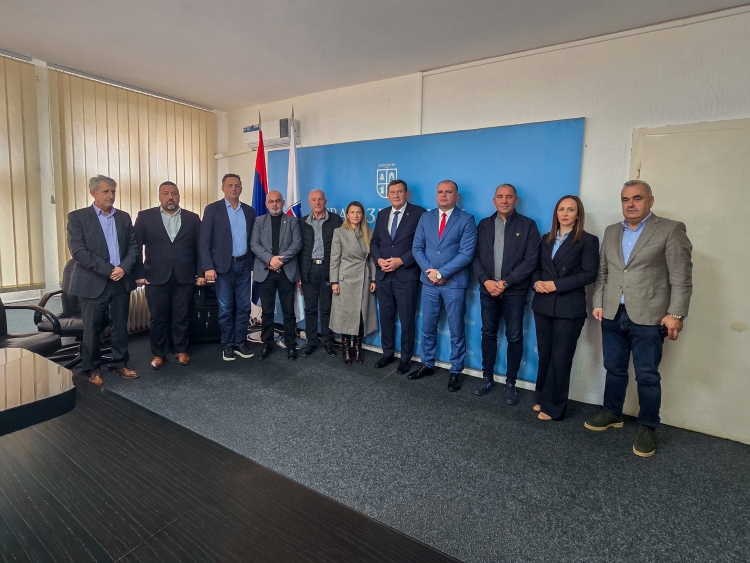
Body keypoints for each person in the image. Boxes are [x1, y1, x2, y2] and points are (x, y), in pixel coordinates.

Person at [586, 180, 693, 458]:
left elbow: (681, 277)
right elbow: (603, 273)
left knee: (647, 375)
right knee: (614, 368)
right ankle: (612, 412)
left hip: (650, 317)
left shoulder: (670, 229)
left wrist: (676, 314)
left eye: (637, 198)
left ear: (650, 200)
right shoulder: (611, 231)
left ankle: (648, 426)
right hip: (612, 313)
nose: (630, 204)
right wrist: (598, 302)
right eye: (625, 199)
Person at [66, 175, 139, 386]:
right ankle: (93, 368)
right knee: (92, 328)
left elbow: (133, 247)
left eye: (113, 191)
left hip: (120, 280)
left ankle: (119, 363)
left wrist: (123, 268)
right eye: (106, 191)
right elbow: (78, 251)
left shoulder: (123, 217)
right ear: (93, 193)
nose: (111, 195)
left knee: (120, 326)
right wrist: (109, 270)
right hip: (93, 281)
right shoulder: (78, 217)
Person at [531, 195, 599, 421]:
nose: (565, 213)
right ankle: (542, 397)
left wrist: (556, 285)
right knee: (545, 354)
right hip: (543, 305)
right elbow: (537, 267)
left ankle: (555, 408)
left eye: (571, 209)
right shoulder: (546, 239)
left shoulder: (588, 240)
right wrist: (537, 283)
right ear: (556, 213)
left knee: (561, 358)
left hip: (568, 308)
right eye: (561, 209)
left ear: (578, 214)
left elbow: (589, 274)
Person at [472, 184, 540, 405]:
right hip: (488, 289)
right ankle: (487, 378)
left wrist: (505, 282)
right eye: (500, 197)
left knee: (515, 336)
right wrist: (486, 281)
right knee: (488, 333)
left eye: (509, 197)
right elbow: (475, 257)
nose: (504, 201)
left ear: (516, 200)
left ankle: (511, 383)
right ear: (494, 201)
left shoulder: (528, 225)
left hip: (514, 292)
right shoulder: (483, 225)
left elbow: (531, 261)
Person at [410, 180, 477, 391]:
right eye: (440, 192)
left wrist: (442, 273)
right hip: (429, 283)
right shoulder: (426, 217)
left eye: (448, 192)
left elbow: (466, 254)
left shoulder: (466, 219)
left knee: (456, 329)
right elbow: (417, 248)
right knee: (428, 327)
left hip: (454, 284)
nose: (444, 195)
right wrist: (432, 273)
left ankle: (456, 370)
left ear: (456, 197)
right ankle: (427, 364)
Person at [134, 181, 206, 370]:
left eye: (174, 193)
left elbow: (200, 248)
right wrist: (139, 273)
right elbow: (135, 247)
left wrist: (200, 273)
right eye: (166, 193)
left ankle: (181, 350)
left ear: (179, 196)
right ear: (159, 196)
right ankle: (159, 354)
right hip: (155, 276)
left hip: (185, 276)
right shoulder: (145, 217)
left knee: (182, 315)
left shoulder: (192, 218)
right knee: (158, 317)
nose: (170, 197)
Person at [370, 179, 426, 375]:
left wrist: (401, 261)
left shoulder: (419, 213)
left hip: (406, 275)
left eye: (400, 192)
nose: (396, 195)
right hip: (384, 275)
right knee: (386, 317)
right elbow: (375, 243)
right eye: (392, 192)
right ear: (387, 195)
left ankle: (405, 358)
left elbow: (421, 244)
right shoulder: (382, 214)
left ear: (406, 194)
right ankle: (387, 353)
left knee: (407, 319)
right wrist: (379, 260)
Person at [199, 174, 256, 361]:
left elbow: (253, 240)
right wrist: (208, 267)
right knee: (225, 308)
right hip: (222, 267)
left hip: (244, 265)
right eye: (230, 185)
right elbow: (204, 241)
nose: (234, 189)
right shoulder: (213, 209)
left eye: (237, 185)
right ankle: (228, 345)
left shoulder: (249, 211)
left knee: (244, 307)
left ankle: (240, 342)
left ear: (241, 188)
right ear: (223, 188)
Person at [250, 190, 302, 361]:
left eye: (278, 201)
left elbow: (297, 244)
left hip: (286, 272)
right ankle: (267, 344)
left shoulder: (293, 221)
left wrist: (279, 260)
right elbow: (254, 244)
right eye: (271, 201)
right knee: (267, 312)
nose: (274, 204)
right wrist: (270, 259)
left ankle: (291, 344)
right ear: (266, 204)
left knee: (288, 311)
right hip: (265, 272)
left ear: (283, 202)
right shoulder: (259, 221)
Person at [329, 201, 377, 366]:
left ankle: (357, 348)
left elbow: (371, 259)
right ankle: (346, 349)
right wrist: (334, 281)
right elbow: (334, 259)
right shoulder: (339, 232)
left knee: (360, 315)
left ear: (362, 215)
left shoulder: (369, 232)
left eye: (358, 212)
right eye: (352, 212)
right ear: (347, 215)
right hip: (345, 280)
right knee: (346, 315)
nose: (356, 215)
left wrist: (373, 279)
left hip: (364, 278)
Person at [298, 189, 342, 357]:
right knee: (310, 308)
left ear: (326, 201)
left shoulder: (335, 220)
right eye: (314, 200)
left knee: (326, 308)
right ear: (309, 202)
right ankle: (311, 342)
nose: (317, 202)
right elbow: (298, 250)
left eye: (320, 199)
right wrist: (298, 274)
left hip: (328, 269)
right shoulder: (302, 222)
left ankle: (328, 342)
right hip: (308, 270)